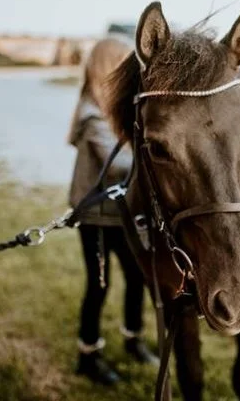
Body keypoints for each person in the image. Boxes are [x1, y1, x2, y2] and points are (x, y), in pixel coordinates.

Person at [67, 37, 159, 385]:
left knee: (136, 276)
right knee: (99, 285)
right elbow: (120, 163)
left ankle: (133, 338)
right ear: (108, 69)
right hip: (96, 218)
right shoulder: (92, 116)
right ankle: (88, 355)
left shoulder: (116, 110)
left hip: (120, 213)